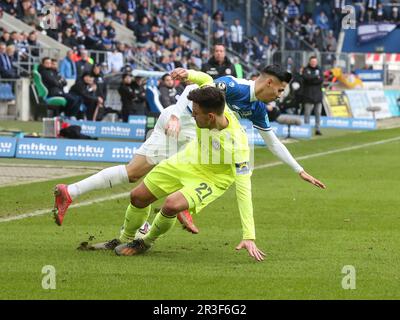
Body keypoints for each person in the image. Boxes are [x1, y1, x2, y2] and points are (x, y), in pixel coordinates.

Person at [53, 67, 326, 247]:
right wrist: (174, 114)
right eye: (279, 91)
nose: (278, 97)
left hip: (200, 134)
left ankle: (73, 193)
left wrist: (298, 169)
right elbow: (194, 90)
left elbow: (273, 142)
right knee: (136, 175)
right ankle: (174, 210)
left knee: (143, 177)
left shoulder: (256, 109)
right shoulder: (234, 87)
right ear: (269, 83)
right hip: (181, 123)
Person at [113, 86, 265, 260]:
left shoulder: (238, 146)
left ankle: (145, 242)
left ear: (210, 117)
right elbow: (202, 79)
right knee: (137, 196)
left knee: (171, 204)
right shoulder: (215, 106)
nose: (192, 116)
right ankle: (123, 239)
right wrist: (188, 72)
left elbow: (244, 190)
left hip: (213, 178)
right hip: (187, 160)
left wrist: (249, 235)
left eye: (195, 113)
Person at [302, 56, 324, 135]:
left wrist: (311, 79)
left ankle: (317, 129)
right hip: (308, 95)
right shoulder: (306, 69)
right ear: (309, 62)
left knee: (318, 113)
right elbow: (305, 78)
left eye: (315, 62)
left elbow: (321, 79)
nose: (313, 63)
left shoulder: (320, 69)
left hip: (318, 95)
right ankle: (306, 129)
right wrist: (315, 77)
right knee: (307, 113)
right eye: (312, 61)